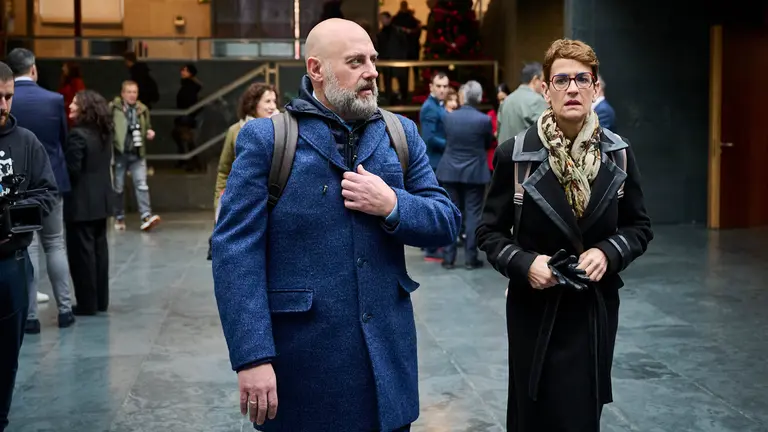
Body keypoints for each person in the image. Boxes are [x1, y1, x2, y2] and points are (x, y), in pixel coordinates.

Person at [212, 18, 460, 431]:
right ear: (316, 69)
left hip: (386, 374)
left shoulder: (400, 133)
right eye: (356, 61)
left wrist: (393, 204)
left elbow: (446, 220)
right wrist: (252, 357)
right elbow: (235, 253)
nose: (372, 72)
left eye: (373, 60)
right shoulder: (268, 140)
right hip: (302, 372)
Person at [477, 38, 653, 431]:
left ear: (595, 88)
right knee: (533, 414)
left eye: (582, 79)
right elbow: (489, 231)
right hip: (534, 309)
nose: (572, 88)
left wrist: (608, 252)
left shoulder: (618, 153)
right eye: (561, 80)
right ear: (545, 89)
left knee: (582, 415)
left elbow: (639, 227)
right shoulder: (515, 154)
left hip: (593, 309)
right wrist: (526, 264)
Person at [0, 60, 58, 432]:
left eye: (8, 97)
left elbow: (47, 193)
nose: (3, 105)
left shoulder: (27, 142)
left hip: (12, 264)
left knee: (7, 357)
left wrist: (15, 212)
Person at [6, 47, 75, 333]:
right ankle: (65, 309)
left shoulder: (9, 101)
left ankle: (31, 316)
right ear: (33, 68)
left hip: (18, 184)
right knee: (55, 243)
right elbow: (62, 140)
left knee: (29, 246)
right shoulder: (54, 99)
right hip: (52, 180)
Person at [63, 90, 114, 315]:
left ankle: (87, 303)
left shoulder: (77, 135)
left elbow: (72, 170)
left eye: (75, 103)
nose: (70, 106)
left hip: (81, 203)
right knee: (100, 252)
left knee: (81, 256)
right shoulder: (104, 132)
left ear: (85, 108)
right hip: (101, 200)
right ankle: (101, 301)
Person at [437, 81, 492, 270]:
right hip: (475, 171)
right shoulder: (484, 120)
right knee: (473, 215)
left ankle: (448, 258)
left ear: (462, 97)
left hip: (450, 170)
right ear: (479, 98)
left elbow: (447, 139)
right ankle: (470, 258)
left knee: (451, 212)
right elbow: (487, 143)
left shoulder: (448, 117)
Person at [214, 83, 278, 212]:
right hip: (241, 203)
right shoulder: (235, 131)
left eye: (274, 101)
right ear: (253, 103)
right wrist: (219, 203)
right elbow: (224, 170)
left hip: (273, 202)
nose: (273, 106)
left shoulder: (281, 129)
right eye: (267, 101)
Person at [110, 80, 161, 231]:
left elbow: (147, 126)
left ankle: (146, 216)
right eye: (129, 92)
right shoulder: (114, 108)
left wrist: (149, 132)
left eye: (135, 92)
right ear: (123, 93)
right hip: (120, 153)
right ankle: (119, 216)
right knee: (118, 187)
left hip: (137, 153)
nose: (132, 95)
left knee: (141, 185)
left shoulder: (142, 109)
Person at [419, 71, 450, 261]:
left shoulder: (438, 105)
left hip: (438, 161)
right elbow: (430, 138)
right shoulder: (430, 107)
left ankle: (429, 245)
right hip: (434, 162)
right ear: (431, 87)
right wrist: (451, 144)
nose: (442, 90)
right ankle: (430, 249)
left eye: (445, 86)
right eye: (439, 86)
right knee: (434, 205)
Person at [497, 62, 548, 144]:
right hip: (524, 151)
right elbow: (547, 133)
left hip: (503, 150)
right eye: (543, 80)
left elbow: (499, 130)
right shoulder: (537, 100)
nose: (544, 85)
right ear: (535, 80)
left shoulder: (507, 100)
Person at [58, 61, 86, 128]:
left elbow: (80, 99)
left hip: (72, 116)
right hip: (65, 114)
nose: (63, 68)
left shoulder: (77, 82)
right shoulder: (66, 82)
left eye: (65, 67)